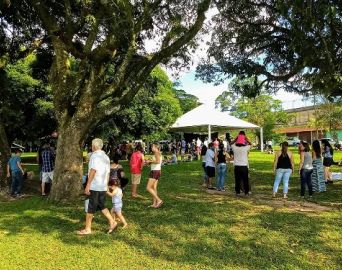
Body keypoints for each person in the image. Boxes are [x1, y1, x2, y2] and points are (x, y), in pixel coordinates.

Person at [77, 138, 117, 235]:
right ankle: (112, 222)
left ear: (94, 146)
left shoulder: (94, 156)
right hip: (102, 186)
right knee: (101, 205)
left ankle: (87, 229)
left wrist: (88, 185)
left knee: (90, 207)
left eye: (91, 145)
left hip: (95, 186)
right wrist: (106, 185)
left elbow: (93, 171)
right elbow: (108, 173)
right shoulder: (106, 157)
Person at [146, 143, 163, 208]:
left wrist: (149, 162)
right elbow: (158, 163)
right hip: (157, 171)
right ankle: (154, 203)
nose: (151, 147)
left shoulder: (157, 153)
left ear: (156, 147)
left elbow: (158, 161)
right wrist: (149, 162)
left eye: (152, 146)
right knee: (153, 187)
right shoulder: (158, 153)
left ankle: (159, 200)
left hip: (155, 172)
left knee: (148, 188)